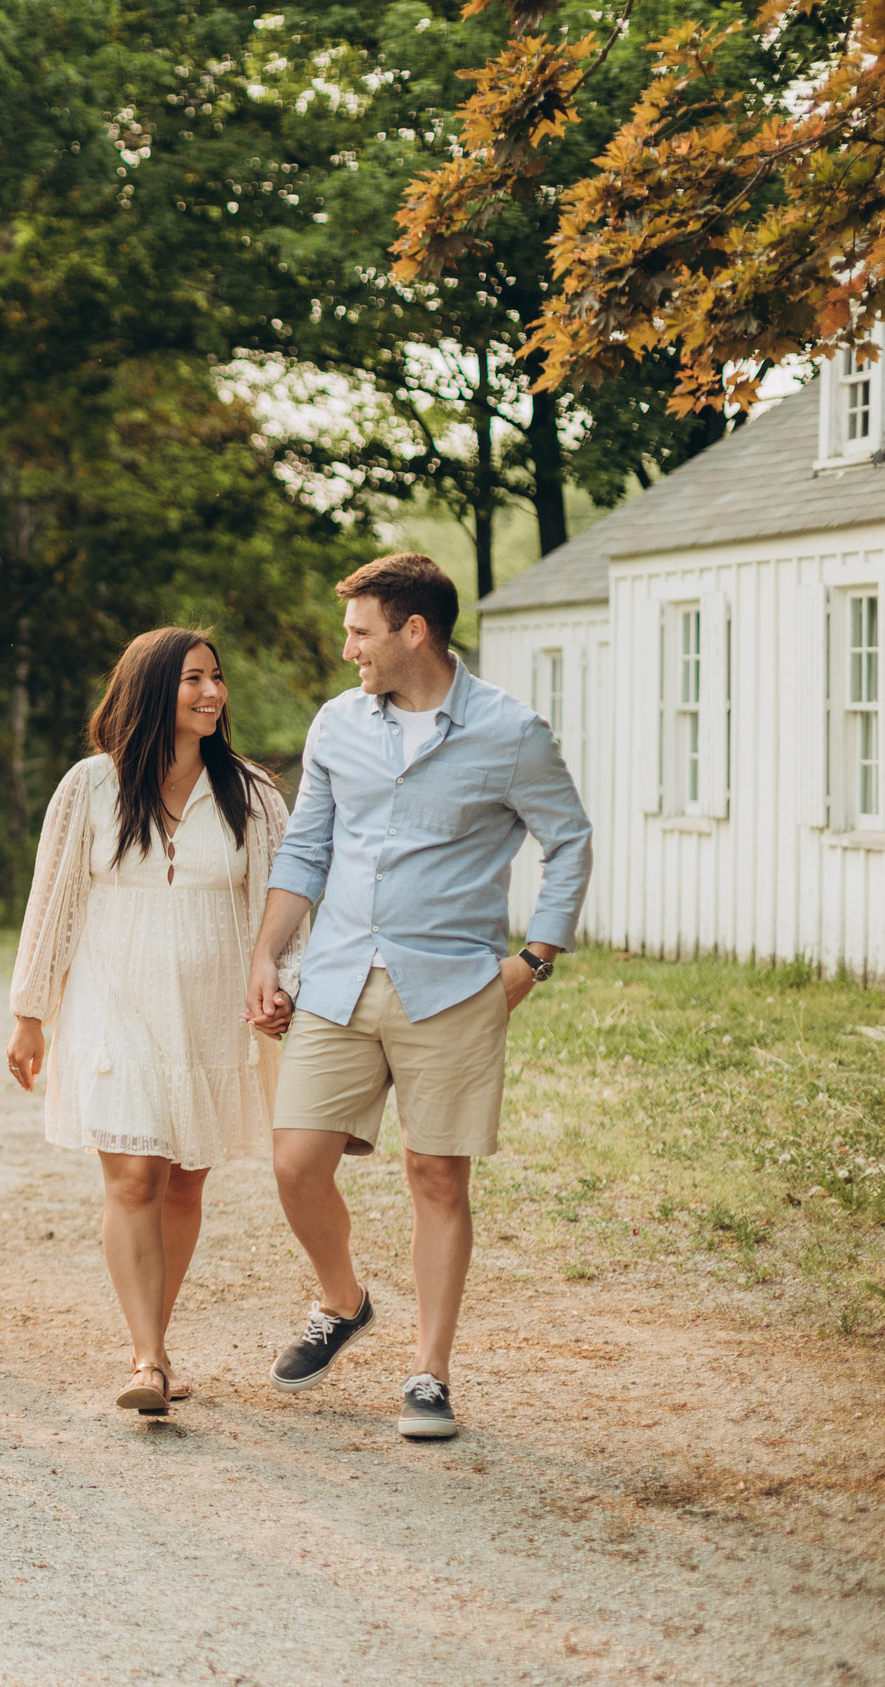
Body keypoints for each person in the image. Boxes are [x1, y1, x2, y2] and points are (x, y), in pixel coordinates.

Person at [246, 553, 592, 1441]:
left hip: (454, 986)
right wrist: (267, 953)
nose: (347, 645)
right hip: (338, 974)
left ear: (414, 632)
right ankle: (343, 1300)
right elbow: (307, 849)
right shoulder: (337, 724)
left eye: (361, 630)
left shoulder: (512, 733)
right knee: (294, 1160)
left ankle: (430, 1374)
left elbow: (570, 840)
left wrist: (536, 957)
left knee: (436, 1176)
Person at [4, 629, 300, 1414]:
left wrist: (283, 989)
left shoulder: (252, 794)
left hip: (211, 1012)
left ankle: (154, 1347)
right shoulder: (91, 788)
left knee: (184, 1182)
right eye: (192, 679)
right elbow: (55, 900)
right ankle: (147, 1356)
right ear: (150, 690)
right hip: (113, 999)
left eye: (217, 677)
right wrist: (31, 1011)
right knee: (135, 1173)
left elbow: (281, 907)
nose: (212, 692)